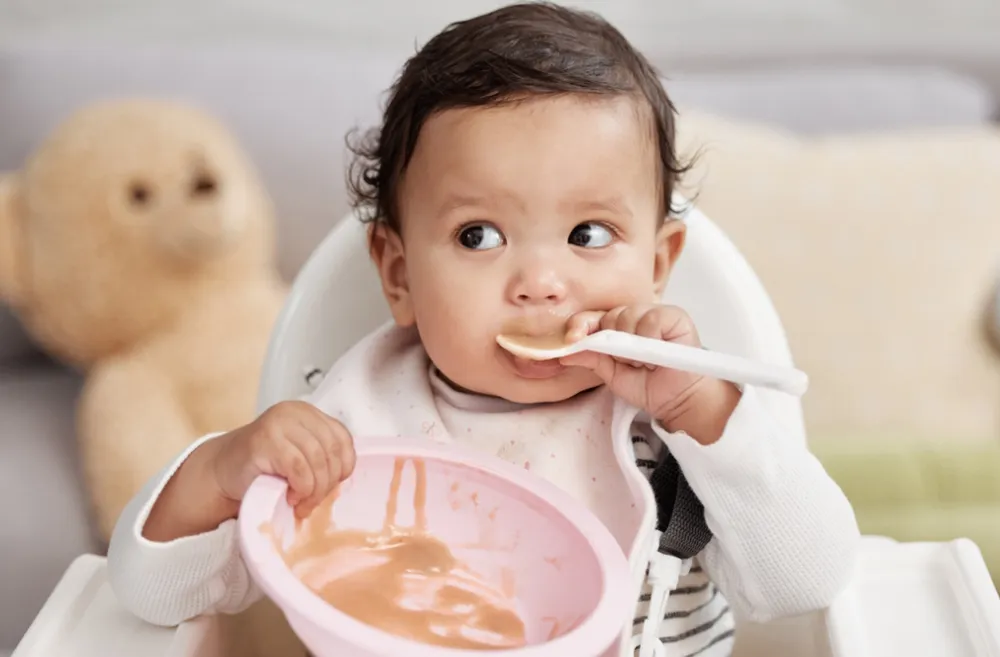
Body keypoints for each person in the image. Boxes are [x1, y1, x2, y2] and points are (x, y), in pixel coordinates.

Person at [106, 4, 860, 656]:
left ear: (658, 261)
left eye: (589, 235)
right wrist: (219, 470)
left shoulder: (674, 421)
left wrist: (706, 412)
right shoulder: (352, 422)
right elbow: (152, 593)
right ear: (398, 275)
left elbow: (807, 579)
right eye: (478, 236)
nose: (540, 281)